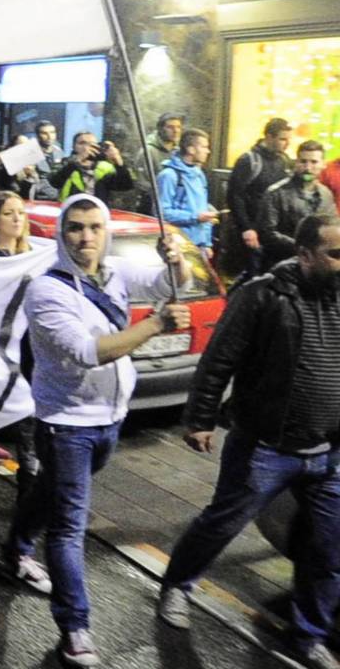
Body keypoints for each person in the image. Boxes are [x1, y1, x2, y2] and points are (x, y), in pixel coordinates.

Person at [1, 194, 185, 668]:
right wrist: (156, 325)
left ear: (106, 233)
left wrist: (176, 259)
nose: (86, 238)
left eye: (94, 229)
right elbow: (88, 352)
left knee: (50, 493)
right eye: (76, 228)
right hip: (67, 425)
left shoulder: (114, 274)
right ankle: (75, 627)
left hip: (111, 418)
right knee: (68, 526)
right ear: (62, 235)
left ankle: (15, 548)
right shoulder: (47, 291)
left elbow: (167, 280)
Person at [156, 214, 340, 668]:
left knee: (328, 549)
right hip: (266, 446)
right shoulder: (263, 295)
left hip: (329, 452)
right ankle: (177, 585)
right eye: (336, 253)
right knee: (221, 523)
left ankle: (309, 634)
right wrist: (199, 418)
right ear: (305, 254)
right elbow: (219, 359)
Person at [256, 141, 338, 270]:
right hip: (280, 265)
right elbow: (267, 233)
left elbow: (333, 226)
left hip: (317, 268)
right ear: (296, 162)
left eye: (314, 162)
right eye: (303, 161)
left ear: (322, 164)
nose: (308, 167)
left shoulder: (326, 194)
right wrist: (302, 248)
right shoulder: (276, 192)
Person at [228, 117, 294, 273]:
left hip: (272, 233)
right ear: (269, 137)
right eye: (282, 139)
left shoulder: (284, 161)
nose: (287, 144)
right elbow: (235, 196)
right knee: (252, 276)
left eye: (288, 139)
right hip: (253, 231)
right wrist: (246, 228)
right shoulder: (249, 161)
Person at [156, 128, 219, 257]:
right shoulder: (169, 175)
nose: (208, 151)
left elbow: (203, 208)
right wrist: (195, 217)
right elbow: (162, 212)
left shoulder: (199, 175)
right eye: (204, 147)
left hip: (198, 247)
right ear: (191, 149)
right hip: (179, 245)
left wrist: (206, 243)